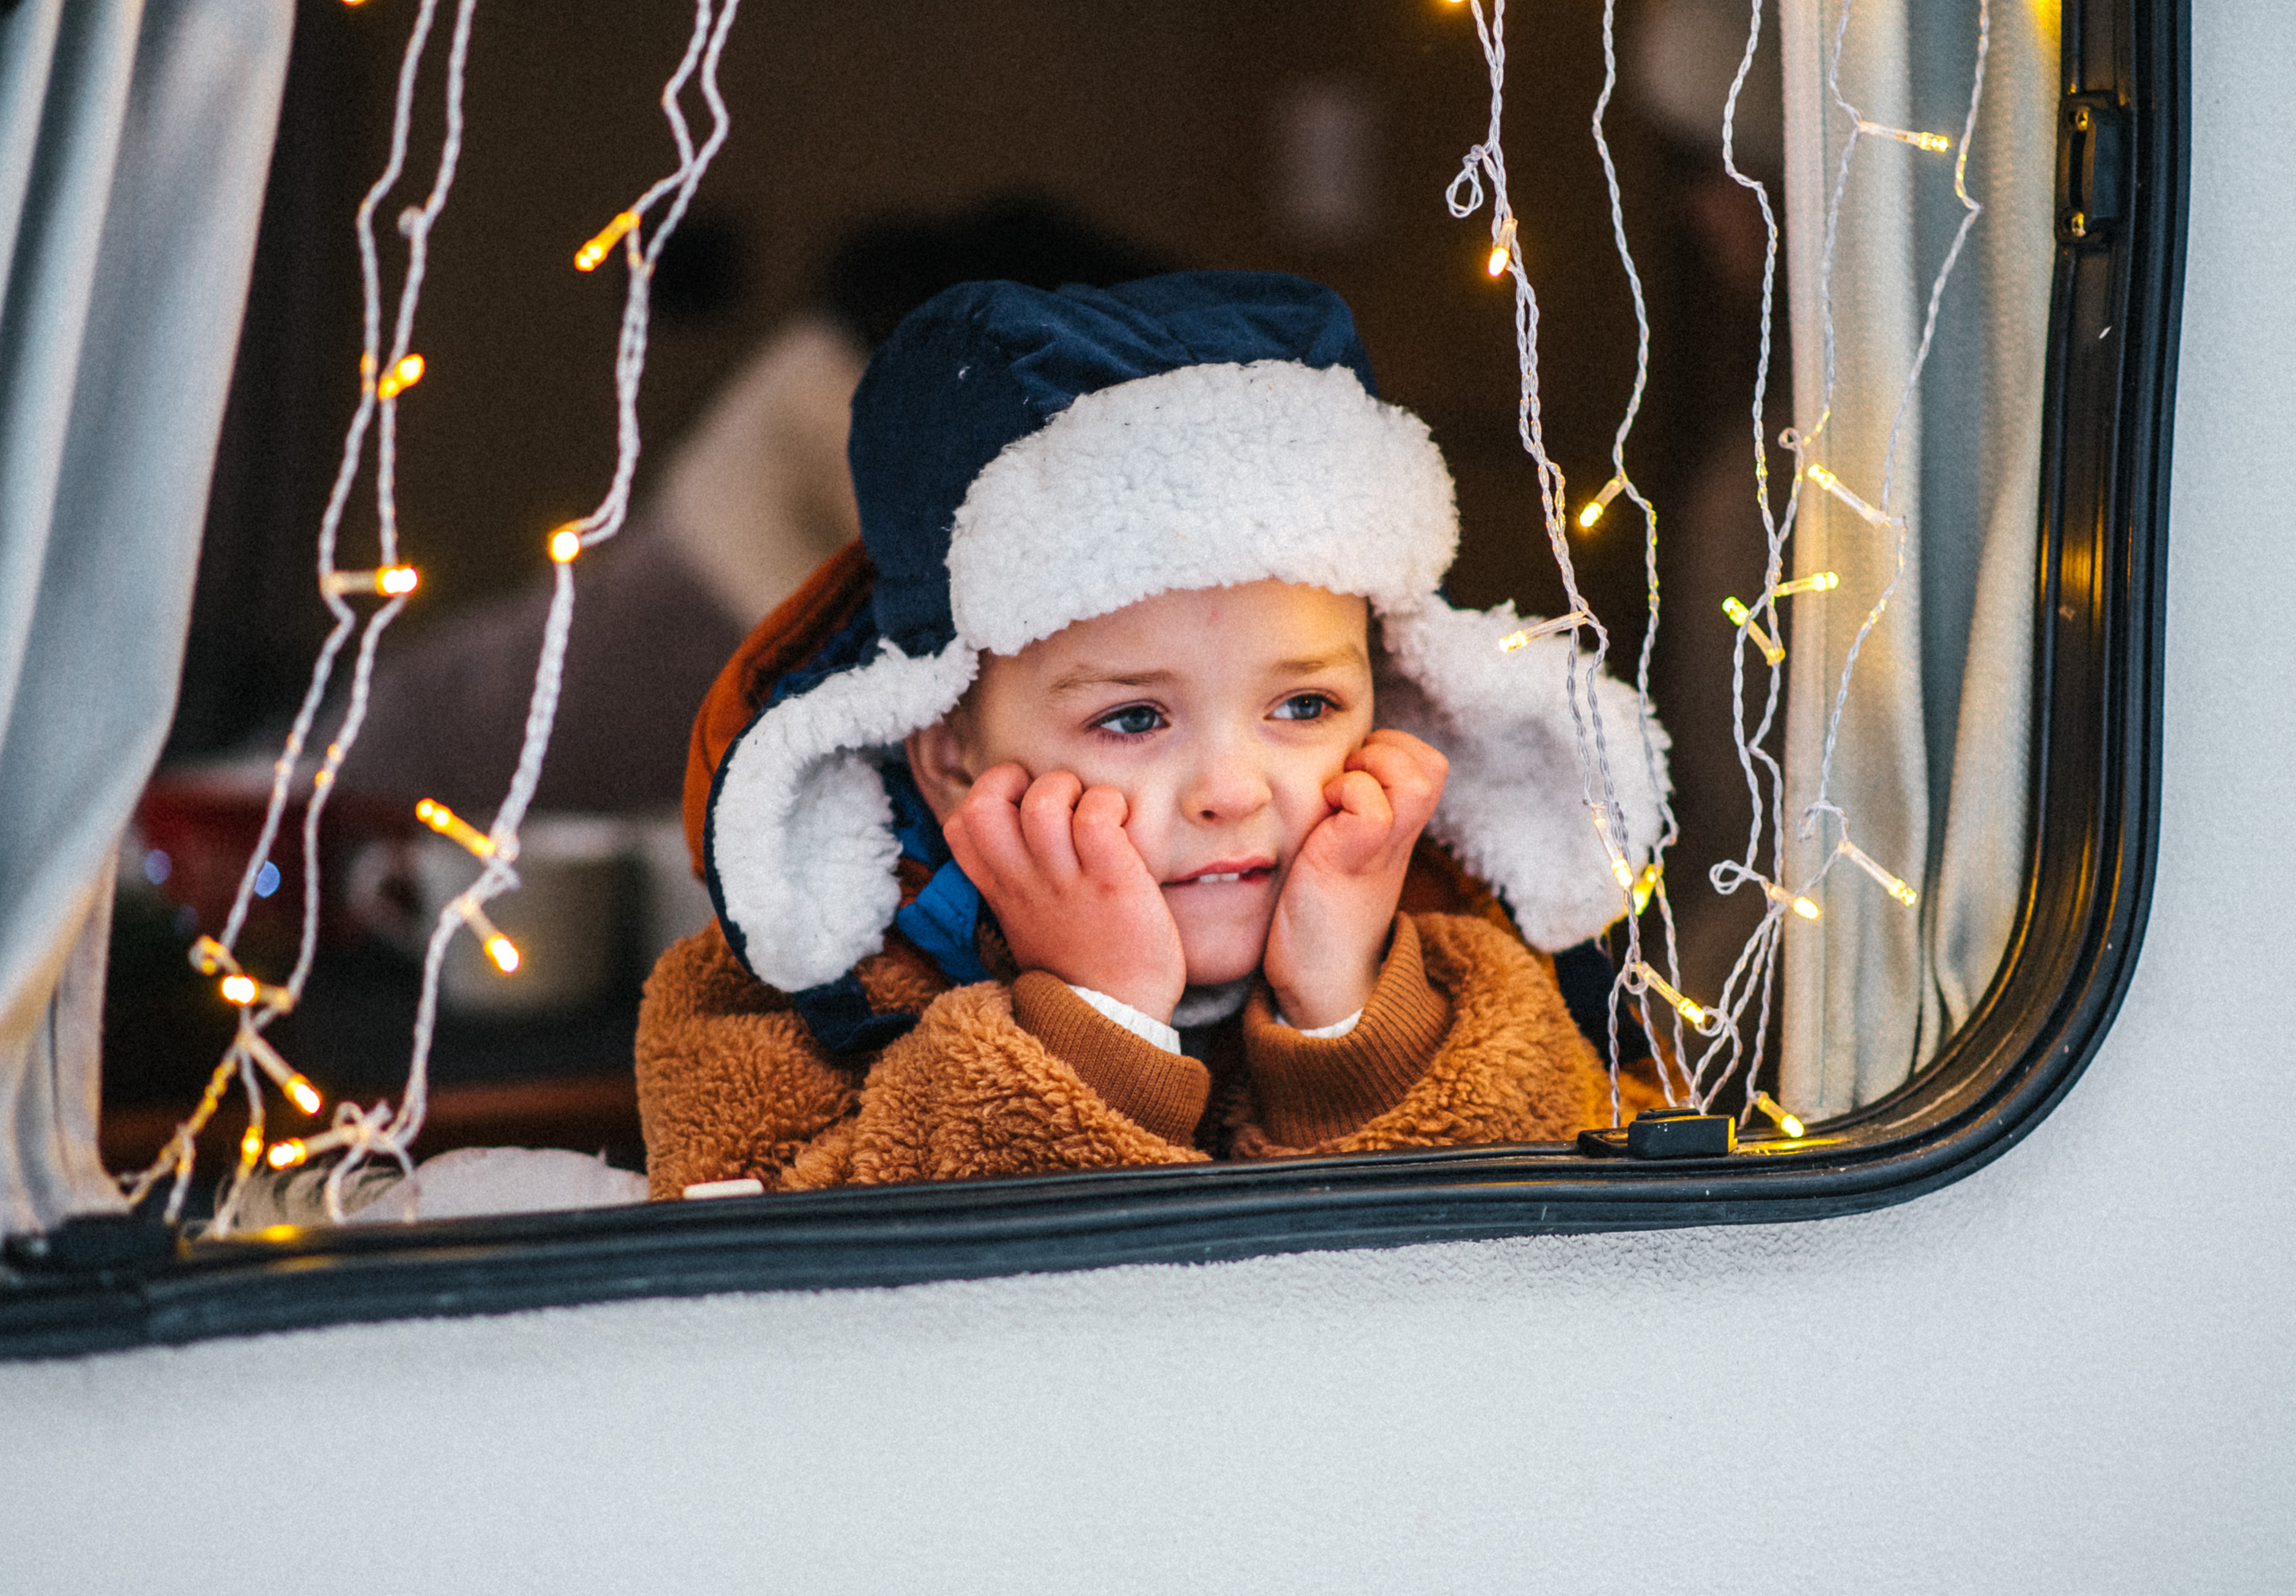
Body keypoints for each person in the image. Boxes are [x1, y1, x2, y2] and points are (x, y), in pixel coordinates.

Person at [636, 272, 1670, 1195]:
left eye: (1303, 707)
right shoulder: (801, 991)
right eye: (1132, 718)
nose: (1232, 790)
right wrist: (1095, 1026)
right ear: (950, 755)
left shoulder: (1469, 931)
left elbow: (1579, 1243)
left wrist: (1350, 1017)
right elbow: (786, 1282)